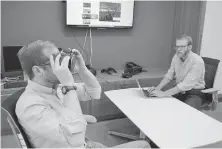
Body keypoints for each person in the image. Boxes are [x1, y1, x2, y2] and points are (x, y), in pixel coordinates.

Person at [15, 40, 150, 148]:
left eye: (62, 58)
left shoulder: (55, 88)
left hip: (86, 144)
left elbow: (93, 92)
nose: (63, 64)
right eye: (56, 61)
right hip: (77, 143)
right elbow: (75, 140)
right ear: (38, 70)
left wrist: (82, 69)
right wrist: (68, 85)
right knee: (143, 145)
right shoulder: (30, 105)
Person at [149, 35, 205, 109]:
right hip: (180, 91)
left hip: (194, 93)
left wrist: (163, 94)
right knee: (161, 105)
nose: (178, 49)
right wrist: (158, 88)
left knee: (185, 113)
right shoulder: (176, 56)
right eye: (177, 46)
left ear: (189, 47)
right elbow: (169, 75)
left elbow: (185, 85)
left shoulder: (197, 61)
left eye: (182, 46)